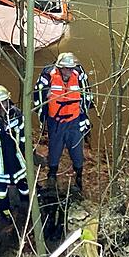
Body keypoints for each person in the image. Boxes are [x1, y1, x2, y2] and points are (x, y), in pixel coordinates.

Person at [34, 52, 93, 190]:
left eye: (71, 68)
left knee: (77, 152)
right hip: (56, 123)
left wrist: (85, 120)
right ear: (59, 68)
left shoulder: (78, 76)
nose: (69, 71)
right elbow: (38, 99)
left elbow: (87, 98)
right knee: (54, 151)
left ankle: (79, 176)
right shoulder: (48, 77)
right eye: (66, 68)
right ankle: (52, 175)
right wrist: (43, 120)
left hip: (74, 121)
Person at [0, 85, 29, 219]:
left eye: (3, 102)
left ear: (8, 100)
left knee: (23, 185)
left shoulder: (17, 115)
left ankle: (26, 206)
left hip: (17, 161)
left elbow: (23, 138)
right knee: (0, 192)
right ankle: (5, 212)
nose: (0, 106)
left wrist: (26, 155)